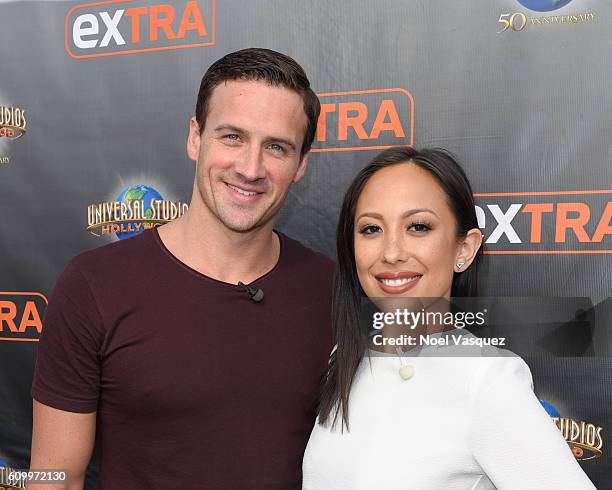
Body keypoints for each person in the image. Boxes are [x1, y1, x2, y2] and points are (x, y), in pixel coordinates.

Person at [30, 48, 334, 489]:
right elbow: (51, 478)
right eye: (232, 137)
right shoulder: (93, 285)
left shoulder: (329, 288)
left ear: (301, 163)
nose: (250, 168)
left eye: (276, 147)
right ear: (195, 137)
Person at [302, 147, 595, 489]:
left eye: (418, 226)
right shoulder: (345, 358)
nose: (392, 252)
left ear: (464, 249)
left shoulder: (486, 379)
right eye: (371, 229)